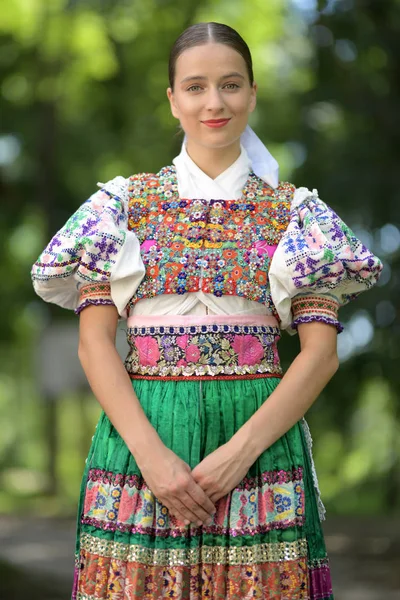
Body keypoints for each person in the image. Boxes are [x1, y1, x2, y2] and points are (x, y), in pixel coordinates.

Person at [31, 22, 382, 600]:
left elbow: (319, 356)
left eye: (230, 84)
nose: (214, 102)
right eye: (195, 87)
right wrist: (153, 459)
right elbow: (94, 345)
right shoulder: (120, 208)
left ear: (252, 92)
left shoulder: (296, 215)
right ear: (172, 98)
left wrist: (237, 456)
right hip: (141, 445)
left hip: (259, 445)